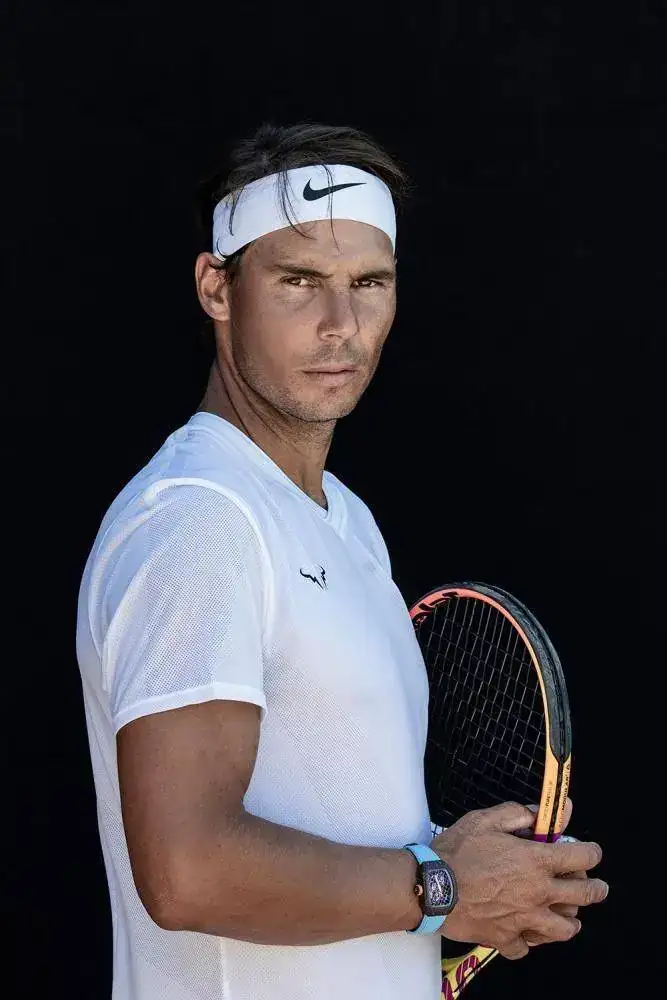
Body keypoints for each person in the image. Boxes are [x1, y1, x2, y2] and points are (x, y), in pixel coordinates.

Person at [76, 122, 608, 1000]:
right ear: (216, 287)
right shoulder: (200, 518)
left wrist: (460, 872)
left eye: (368, 283)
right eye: (298, 282)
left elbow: (352, 833)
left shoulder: (346, 522)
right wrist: (442, 885)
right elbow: (187, 871)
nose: (341, 325)